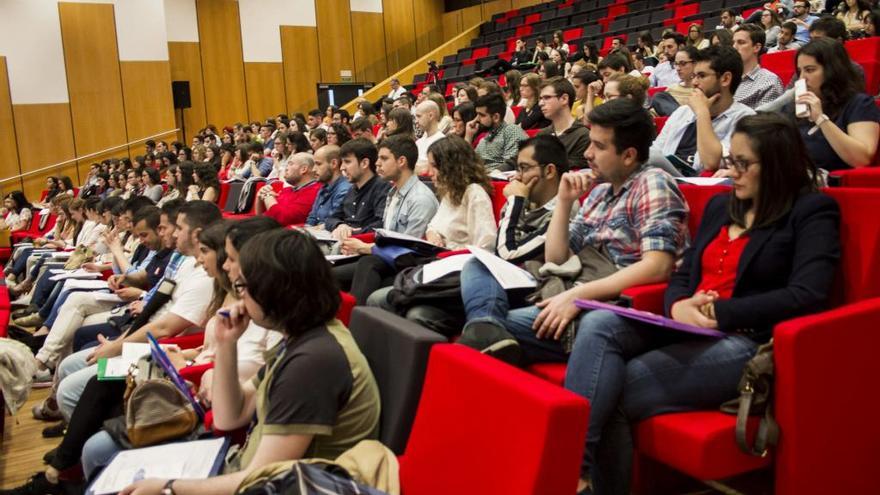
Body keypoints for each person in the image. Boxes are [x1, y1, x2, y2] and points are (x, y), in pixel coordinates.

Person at [565, 112, 841, 495]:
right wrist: (679, 306)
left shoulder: (810, 213)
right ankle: (575, 474)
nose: (731, 172)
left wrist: (719, 312)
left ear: (776, 165)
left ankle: (572, 474)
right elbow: (682, 273)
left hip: (745, 339)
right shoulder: (720, 207)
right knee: (598, 324)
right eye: (730, 160)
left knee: (615, 387)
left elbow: (807, 295)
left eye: (742, 163)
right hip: (687, 323)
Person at [100, 228, 378, 495]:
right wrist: (227, 344)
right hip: (246, 468)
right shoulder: (299, 337)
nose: (238, 295)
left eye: (243, 285)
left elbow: (261, 477)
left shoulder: (313, 361)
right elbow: (229, 415)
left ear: (272, 291)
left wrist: (169, 487)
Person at [456, 98, 688, 365]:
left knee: (491, 329)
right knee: (479, 266)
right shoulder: (600, 192)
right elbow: (556, 258)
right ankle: (486, 327)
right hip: (568, 285)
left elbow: (657, 267)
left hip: (609, 306)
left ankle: (486, 333)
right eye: (589, 143)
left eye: (599, 146)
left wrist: (578, 296)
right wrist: (565, 202)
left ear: (628, 155)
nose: (587, 153)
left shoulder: (653, 184)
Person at [336, 135, 440, 303]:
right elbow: (387, 235)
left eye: (384, 159)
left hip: (410, 264)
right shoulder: (393, 193)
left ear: (401, 161)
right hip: (387, 259)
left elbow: (410, 250)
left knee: (366, 264)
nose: (377, 164)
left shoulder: (420, 199)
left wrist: (368, 248)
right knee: (332, 270)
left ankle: (354, 319)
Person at [649, 45, 755, 174]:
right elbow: (654, 153)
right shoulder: (682, 112)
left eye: (701, 76)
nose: (694, 82)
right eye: (694, 76)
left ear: (725, 79)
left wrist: (702, 112)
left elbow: (711, 162)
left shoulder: (745, 119)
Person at [787, 38, 880, 170]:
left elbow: (862, 159)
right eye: (800, 71)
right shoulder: (793, 107)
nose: (802, 78)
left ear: (832, 71)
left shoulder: (859, 104)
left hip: (833, 185)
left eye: (810, 70)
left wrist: (821, 119)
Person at [323, 139, 392, 239]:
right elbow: (331, 218)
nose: (342, 168)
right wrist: (340, 226)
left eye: (347, 162)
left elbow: (381, 224)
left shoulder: (383, 188)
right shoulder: (352, 189)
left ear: (364, 163)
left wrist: (351, 234)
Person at [254, 153, 321, 226]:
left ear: (303, 169)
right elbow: (262, 218)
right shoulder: (289, 190)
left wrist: (268, 196)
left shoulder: (315, 191)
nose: (286, 168)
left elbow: (282, 219)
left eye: (290, 164)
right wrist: (260, 197)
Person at [538, 77, 591, 170]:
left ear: (564, 99)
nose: (540, 103)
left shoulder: (583, 136)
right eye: (540, 98)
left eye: (547, 98)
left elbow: (571, 167)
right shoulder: (542, 134)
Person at [466, 93, 528, 171]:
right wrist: (468, 137)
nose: (477, 119)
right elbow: (467, 162)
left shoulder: (511, 130)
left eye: (481, 115)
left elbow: (512, 163)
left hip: (495, 179)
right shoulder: (485, 137)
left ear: (496, 117)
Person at [733, 24, 784, 108]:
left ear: (756, 47)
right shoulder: (726, 78)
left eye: (741, 42)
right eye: (733, 42)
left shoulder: (769, 82)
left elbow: (763, 120)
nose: (734, 47)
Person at [306, 145, 352, 228]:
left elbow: (331, 222)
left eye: (318, 164)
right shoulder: (324, 186)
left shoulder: (345, 190)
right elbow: (312, 218)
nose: (313, 169)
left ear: (334, 163)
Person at [414, 100, 446, 174]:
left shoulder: (441, 142)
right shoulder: (418, 142)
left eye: (419, 116)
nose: (416, 121)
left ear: (431, 116)